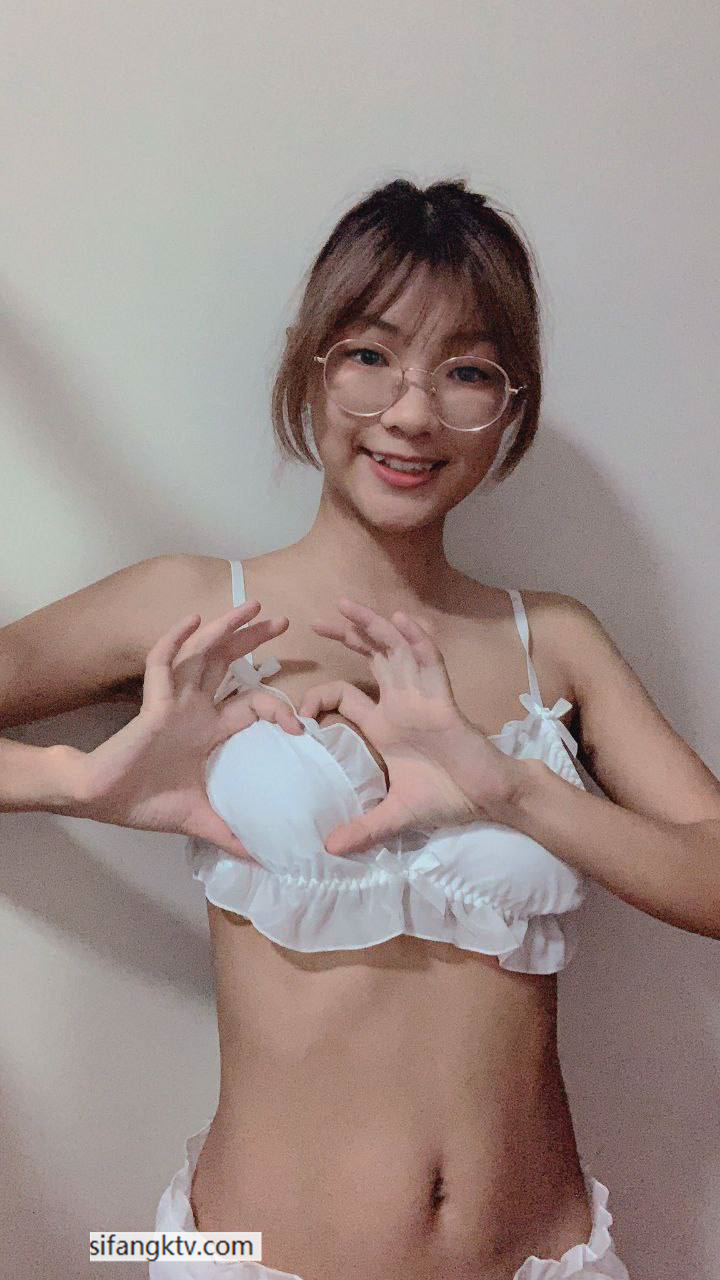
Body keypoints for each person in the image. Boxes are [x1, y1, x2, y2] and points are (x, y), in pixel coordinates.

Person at [3, 178, 719, 1280]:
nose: (414, 412)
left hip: (547, 1260)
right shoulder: (196, 607)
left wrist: (515, 789)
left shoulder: (556, 642)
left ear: (511, 405)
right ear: (313, 366)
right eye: (372, 354)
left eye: (468, 370)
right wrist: (73, 780)